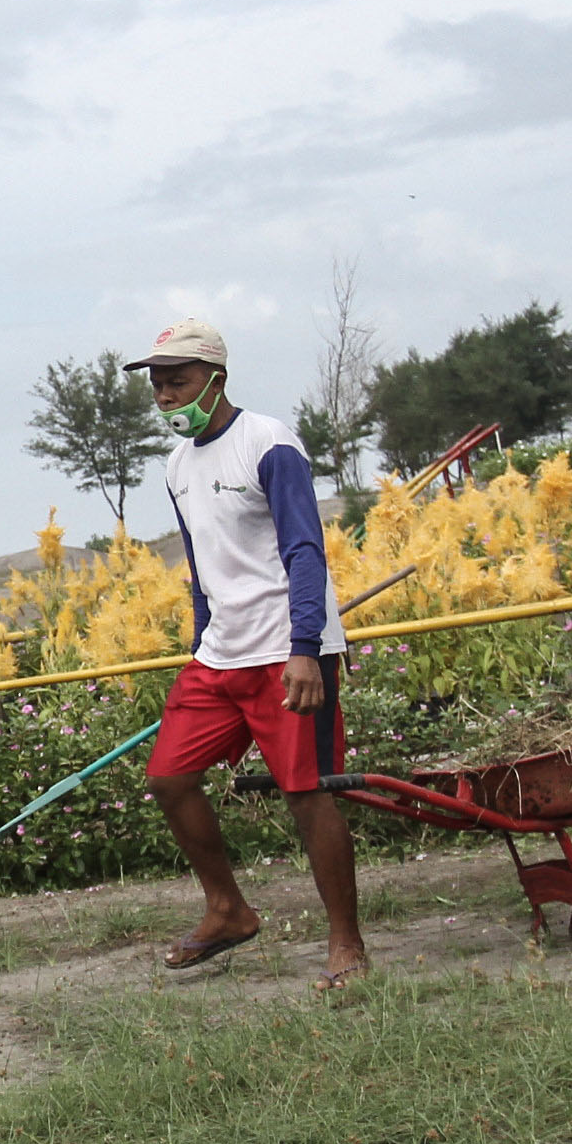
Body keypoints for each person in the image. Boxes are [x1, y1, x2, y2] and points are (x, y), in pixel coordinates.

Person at [124, 321, 368, 991]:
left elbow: (304, 549)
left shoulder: (269, 443)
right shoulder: (177, 467)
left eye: (177, 380)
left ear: (216, 378)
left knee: (307, 794)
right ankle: (228, 909)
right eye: (157, 384)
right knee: (169, 779)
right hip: (221, 655)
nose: (165, 395)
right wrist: (201, 640)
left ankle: (347, 944)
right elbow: (203, 567)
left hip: (288, 652)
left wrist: (306, 649)